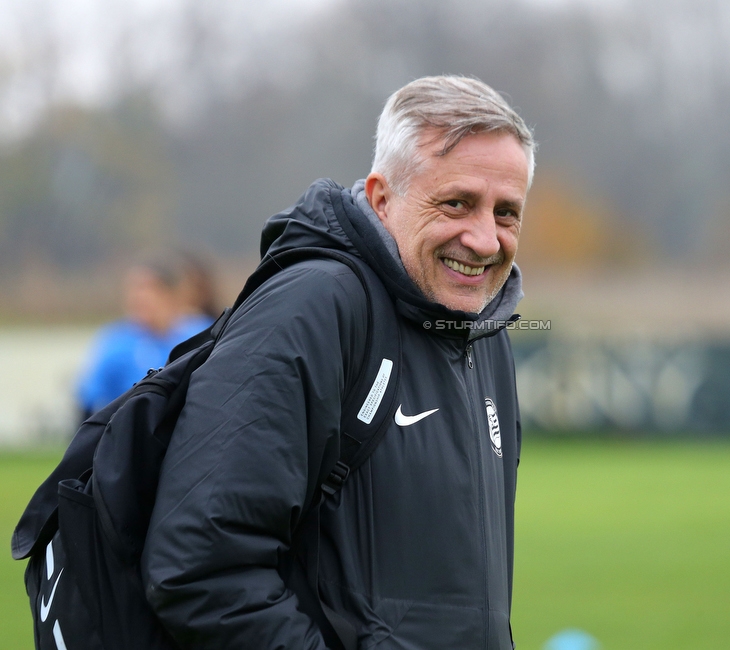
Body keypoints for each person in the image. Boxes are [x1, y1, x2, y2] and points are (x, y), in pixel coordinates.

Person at [141, 75, 536, 649]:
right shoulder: (313, 308)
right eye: (457, 203)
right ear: (381, 198)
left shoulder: (483, 331)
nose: (484, 240)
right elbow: (201, 569)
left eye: (506, 213)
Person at [75, 254, 217, 418]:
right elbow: (88, 401)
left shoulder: (201, 333)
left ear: (172, 294)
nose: (139, 296)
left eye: (149, 288)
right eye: (134, 289)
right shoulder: (115, 341)